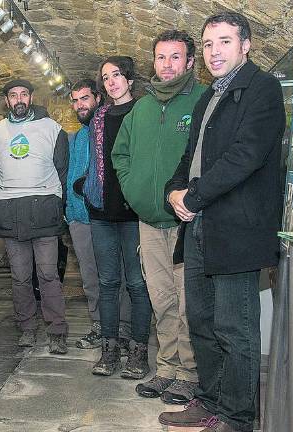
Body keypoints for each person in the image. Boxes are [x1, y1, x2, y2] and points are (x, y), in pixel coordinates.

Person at [160, 12, 285, 432]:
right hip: (198, 226)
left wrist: (192, 197)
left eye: (225, 42)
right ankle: (209, 400)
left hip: (236, 229)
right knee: (203, 324)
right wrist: (174, 192)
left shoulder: (262, 90)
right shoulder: (207, 97)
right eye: (209, 44)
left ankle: (237, 417)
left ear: (245, 45)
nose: (215, 52)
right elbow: (188, 160)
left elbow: (244, 157)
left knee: (236, 329)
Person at [111, 30, 207, 404]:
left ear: (189, 62)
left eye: (175, 57)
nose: (167, 65)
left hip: (188, 222)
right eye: (161, 57)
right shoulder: (142, 108)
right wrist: (134, 190)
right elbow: (121, 155)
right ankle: (166, 367)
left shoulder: (202, 100)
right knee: (161, 298)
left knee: (187, 302)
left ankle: (190, 371)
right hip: (148, 222)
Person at [75, 57, 152, 380]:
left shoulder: (145, 112)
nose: (111, 82)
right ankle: (109, 351)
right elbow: (95, 162)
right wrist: (86, 187)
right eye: (105, 78)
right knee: (107, 283)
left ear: (130, 79)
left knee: (137, 284)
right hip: (103, 213)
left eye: (116, 75)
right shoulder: (98, 117)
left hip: (135, 213)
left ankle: (138, 352)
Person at [0, 79, 69, 354]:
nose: (18, 99)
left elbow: (62, 169)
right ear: (6, 100)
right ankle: (27, 328)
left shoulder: (52, 128)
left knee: (47, 274)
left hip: (43, 210)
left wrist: (51, 200)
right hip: (12, 212)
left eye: (23, 94)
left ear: (30, 97)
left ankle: (56, 329)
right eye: (13, 95)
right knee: (20, 277)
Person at [64, 79, 102, 350]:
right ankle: (99, 326)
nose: (80, 105)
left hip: (103, 216)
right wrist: (69, 211)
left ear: (97, 99)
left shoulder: (106, 128)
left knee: (114, 278)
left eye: (85, 98)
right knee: (89, 278)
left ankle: (120, 330)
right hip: (78, 217)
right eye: (76, 100)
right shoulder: (77, 137)